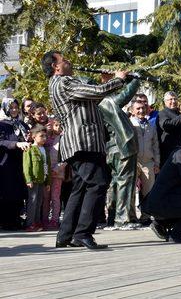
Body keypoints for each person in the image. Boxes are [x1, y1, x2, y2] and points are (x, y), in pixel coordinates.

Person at [42, 50, 128, 249]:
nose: (69, 61)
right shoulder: (64, 82)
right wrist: (117, 80)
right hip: (83, 142)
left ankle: (65, 235)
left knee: (80, 188)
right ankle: (82, 233)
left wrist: (104, 82)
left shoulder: (60, 84)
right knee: (98, 183)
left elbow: (91, 99)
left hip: (80, 143)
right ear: (56, 66)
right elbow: (97, 93)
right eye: (64, 59)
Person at [98, 74, 141, 229]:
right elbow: (125, 95)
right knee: (124, 182)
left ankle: (113, 217)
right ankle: (123, 219)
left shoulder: (95, 105)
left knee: (115, 183)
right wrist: (136, 79)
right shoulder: (105, 102)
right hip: (122, 148)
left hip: (111, 149)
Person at [0, 98, 29, 230]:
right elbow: (1, 142)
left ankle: (16, 220)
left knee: (19, 192)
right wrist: (16, 144)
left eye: (16, 107)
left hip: (21, 163)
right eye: (11, 107)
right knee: (7, 192)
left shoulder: (22, 124)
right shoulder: (2, 125)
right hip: (7, 164)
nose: (14, 110)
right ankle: (6, 221)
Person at [130, 100, 161, 223]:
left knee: (149, 191)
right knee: (131, 191)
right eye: (138, 108)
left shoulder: (151, 125)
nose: (141, 111)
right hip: (133, 161)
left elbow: (155, 145)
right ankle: (131, 217)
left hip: (148, 162)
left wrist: (157, 163)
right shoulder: (130, 124)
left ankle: (146, 216)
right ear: (132, 111)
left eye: (143, 108)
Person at [22, 124, 51, 232]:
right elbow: (26, 166)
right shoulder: (29, 149)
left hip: (42, 180)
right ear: (34, 137)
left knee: (39, 202)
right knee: (32, 201)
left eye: (45, 136)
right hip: (33, 180)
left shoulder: (45, 150)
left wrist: (48, 182)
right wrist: (28, 179)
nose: (44, 138)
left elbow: (47, 166)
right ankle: (30, 223)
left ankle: (37, 221)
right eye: (41, 136)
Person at [41, 116, 65, 231]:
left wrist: (59, 167)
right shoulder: (46, 138)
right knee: (46, 197)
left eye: (60, 125)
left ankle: (55, 219)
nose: (58, 128)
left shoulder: (63, 138)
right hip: (46, 172)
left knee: (55, 197)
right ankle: (44, 219)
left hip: (57, 173)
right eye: (56, 125)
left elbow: (66, 157)